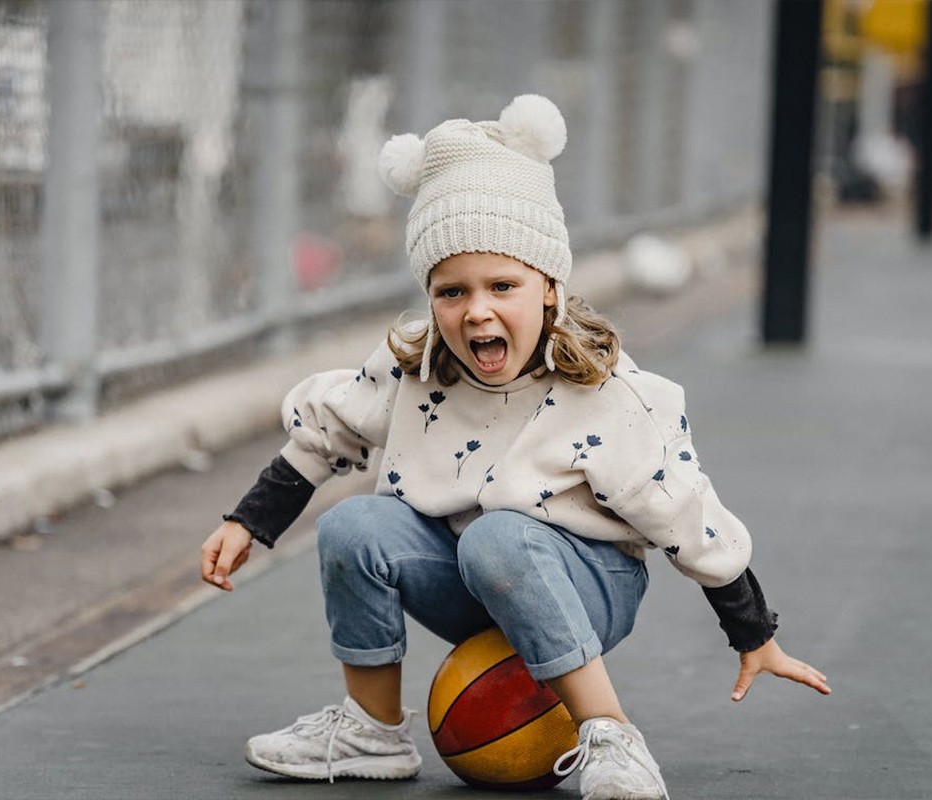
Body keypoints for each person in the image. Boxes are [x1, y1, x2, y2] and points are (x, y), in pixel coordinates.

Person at [200, 94, 829, 800]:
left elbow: (683, 511)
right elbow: (330, 428)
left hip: (589, 585)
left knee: (498, 536)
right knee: (353, 525)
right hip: (473, 578)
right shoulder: (414, 370)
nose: (477, 310)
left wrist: (753, 632)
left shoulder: (604, 393)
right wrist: (249, 520)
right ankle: (371, 731)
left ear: (550, 290)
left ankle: (614, 738)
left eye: (504, 285)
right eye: (451, 291)